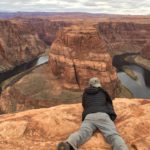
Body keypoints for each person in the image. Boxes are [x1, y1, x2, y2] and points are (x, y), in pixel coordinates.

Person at [57, 77, 128, 150]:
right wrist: (111, 117)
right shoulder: (103, 91)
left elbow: (84, 105)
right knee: (112, 135)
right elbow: (109, 104)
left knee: (82, 133)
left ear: (90, 85)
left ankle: (68, 144)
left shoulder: (85, 93)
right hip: (102, 115)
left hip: (89, 116)